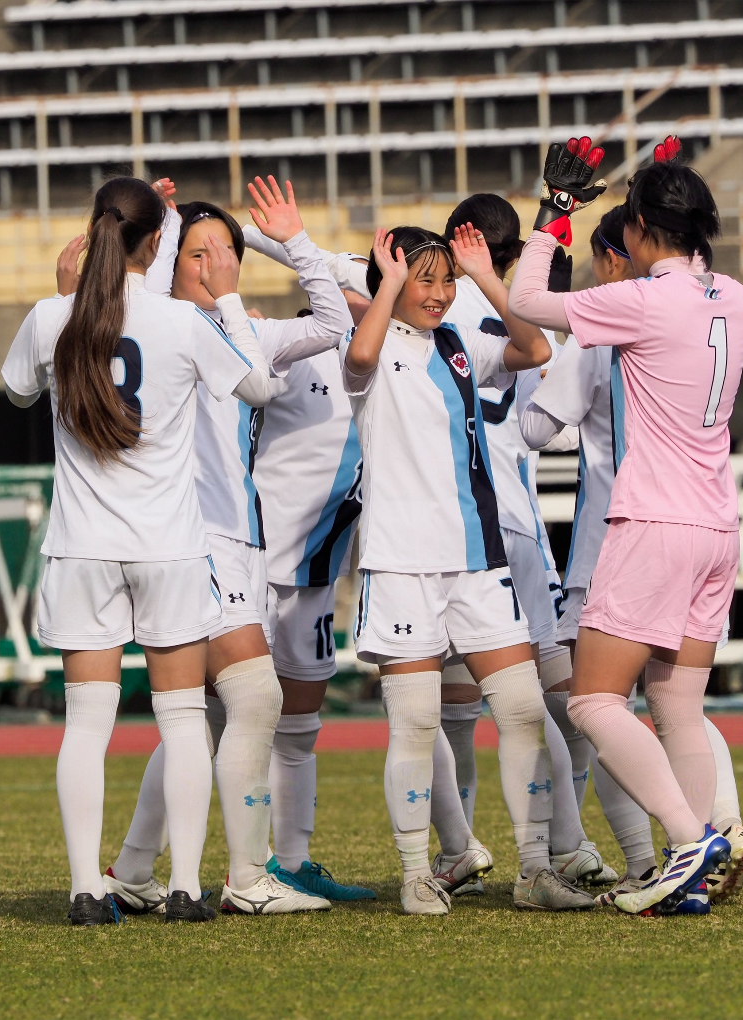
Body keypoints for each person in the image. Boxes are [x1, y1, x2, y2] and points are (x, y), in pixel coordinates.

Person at [2, 175, 277, 925]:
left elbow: (18, 390)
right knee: (183, 716)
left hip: (83, 549)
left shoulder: (53, 316)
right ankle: (185, 887)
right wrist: (224, 298)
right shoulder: (183, 323)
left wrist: (61, 293)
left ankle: (86, 889)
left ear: (93, 236)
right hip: (169, 549)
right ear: (159, 244)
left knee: (86, 725)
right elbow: (256, 386)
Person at [98, 179, 357, 915]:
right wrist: (155, 228)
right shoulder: (167, 325)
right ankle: (247, 878)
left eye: (228, 251)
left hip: (242, 539)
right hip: (195, 535)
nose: (214, 263)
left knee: (206, 712)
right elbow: (260, 391)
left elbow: (334, 321)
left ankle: (133, 869)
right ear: (169, 264)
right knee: (254, 696)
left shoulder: (250, 328)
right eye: (196, 250)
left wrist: (296, 243)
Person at [509, 137, 743, 916]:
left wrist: (557, 214)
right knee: (678, 707)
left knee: (591, 702)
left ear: (643, 228)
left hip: (653, 519)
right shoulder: (734, 296)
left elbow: (523, 301)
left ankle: (688, 842)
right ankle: (699, 856)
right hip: (717, 522)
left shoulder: (646, 298)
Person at [344, 222, 593, 915]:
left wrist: (486, 278)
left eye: (442, 279)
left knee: (520, 709)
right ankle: (416, 870)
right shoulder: (370, 343)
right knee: (417, 723)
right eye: (424, 278)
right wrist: (391, 282)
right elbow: (360, 358)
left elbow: (535, 346)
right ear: (390, 280)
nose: (437, 292)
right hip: (402, 564)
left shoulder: (458, 344)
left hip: (478, 560)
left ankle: (535, 867)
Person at [428, 193, 617, 897]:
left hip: (446, 526)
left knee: (450, 707)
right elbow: (555, 427)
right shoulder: (531, 322)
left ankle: (471, 851)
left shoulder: (423, 312)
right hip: (514, 522)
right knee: (545, 697)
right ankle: (564, 847)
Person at [239, 213, 376, 904]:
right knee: (226, 721)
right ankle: (159, 863)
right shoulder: (288, 351)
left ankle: (292, 861)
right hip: (260, 566)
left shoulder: (389, 355)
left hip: (319, 570)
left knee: (301, 724)